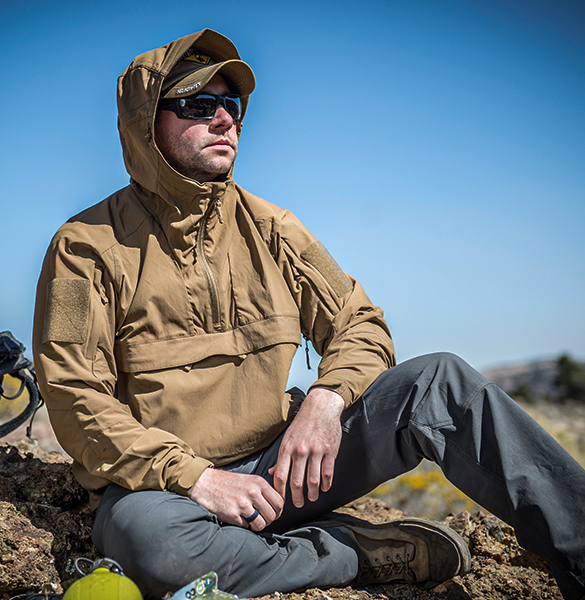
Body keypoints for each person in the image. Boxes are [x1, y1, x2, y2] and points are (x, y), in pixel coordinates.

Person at [32, 28, 585, 600]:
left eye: (231, 104)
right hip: (169, 492)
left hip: (288, 468)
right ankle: (356, 552)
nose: (223, 120)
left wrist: (326, 400)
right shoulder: (85, 247)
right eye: (198, 105)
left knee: (441, 384)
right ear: (146, 122)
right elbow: (75, 397)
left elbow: (360, 323)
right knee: (152, 546)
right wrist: (195, 477)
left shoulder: (273, 227)